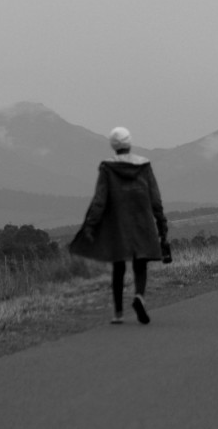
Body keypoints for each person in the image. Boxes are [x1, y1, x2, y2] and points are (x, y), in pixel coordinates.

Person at [69, 127, 168, 325]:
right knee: (141, 263)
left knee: (119, 265)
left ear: (113, 146)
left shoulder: (107, 168)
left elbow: (100, 200)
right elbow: (155, 198)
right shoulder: (144, 165)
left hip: (118, 223)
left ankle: (118, 313)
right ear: (129, 143)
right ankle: (139, 296)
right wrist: (161, 223)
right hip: (142, 220)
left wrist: (90, 226)